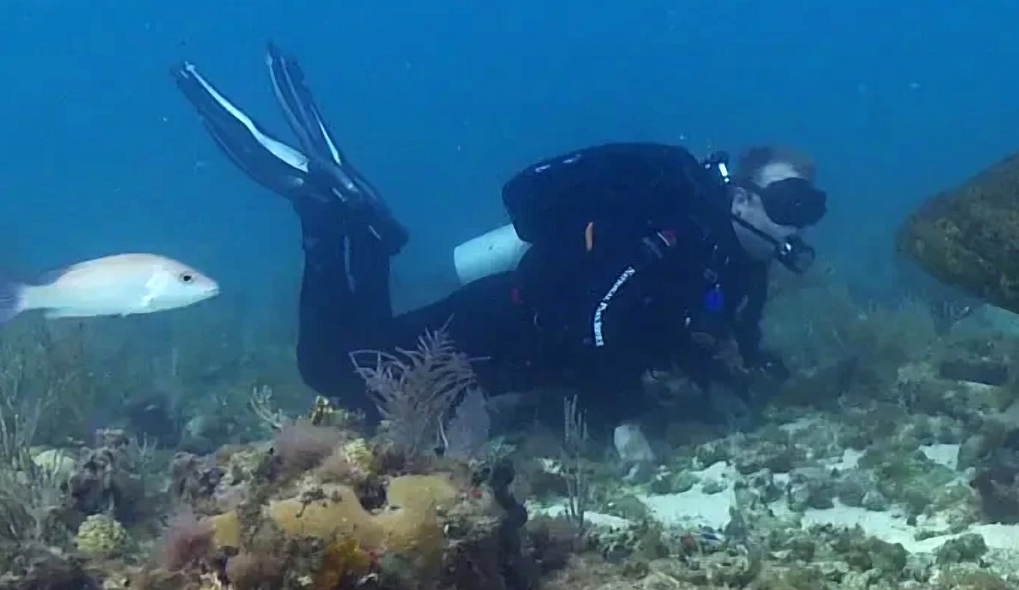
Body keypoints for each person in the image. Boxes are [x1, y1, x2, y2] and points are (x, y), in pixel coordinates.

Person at [170, 45, 825, 422]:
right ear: (741, 196)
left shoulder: (737, 265)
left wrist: (731, 369)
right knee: (333, 372)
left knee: (360, 355)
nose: (799, 220)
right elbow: (598, 321)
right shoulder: (677, 237)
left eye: (811, 205)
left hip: (516, 349)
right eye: (790, 201)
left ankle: (362, 224)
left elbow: (663, 330)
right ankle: (320, 214)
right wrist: (623, 422)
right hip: (496, 329)